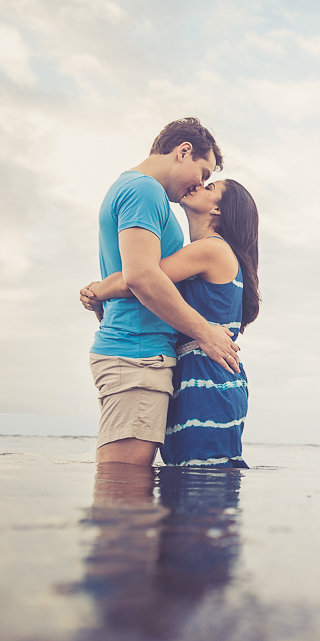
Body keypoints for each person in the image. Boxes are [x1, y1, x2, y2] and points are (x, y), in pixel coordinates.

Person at [84, 118, 240, 467]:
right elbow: (141, 276)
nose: (200, 183)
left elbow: (132, 275)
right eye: (203, 172)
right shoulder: (145, 190)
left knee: (127, 495)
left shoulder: (138, 189)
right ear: (183, 152)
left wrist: (100, 292)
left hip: (137, 354)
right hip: (138, 354)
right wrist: (206, 334)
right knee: (125, 493)